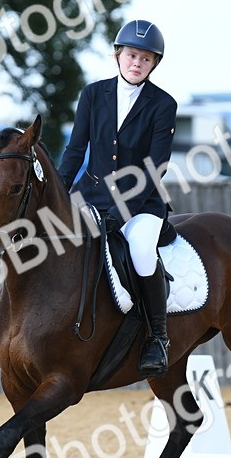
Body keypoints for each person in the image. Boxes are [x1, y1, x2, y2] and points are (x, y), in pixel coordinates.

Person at [58, 20, 177, 378]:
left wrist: (121, 212)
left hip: (143, 204)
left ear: (153, 63)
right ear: (118, 55)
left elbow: (155, 167)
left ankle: (157, 337)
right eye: (131, 55)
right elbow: (76, 149)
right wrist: (59, 196)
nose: (136, 63)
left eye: (145, 58)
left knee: (140, 252)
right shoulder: (93, 95)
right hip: (89, 196)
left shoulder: (163, 104)